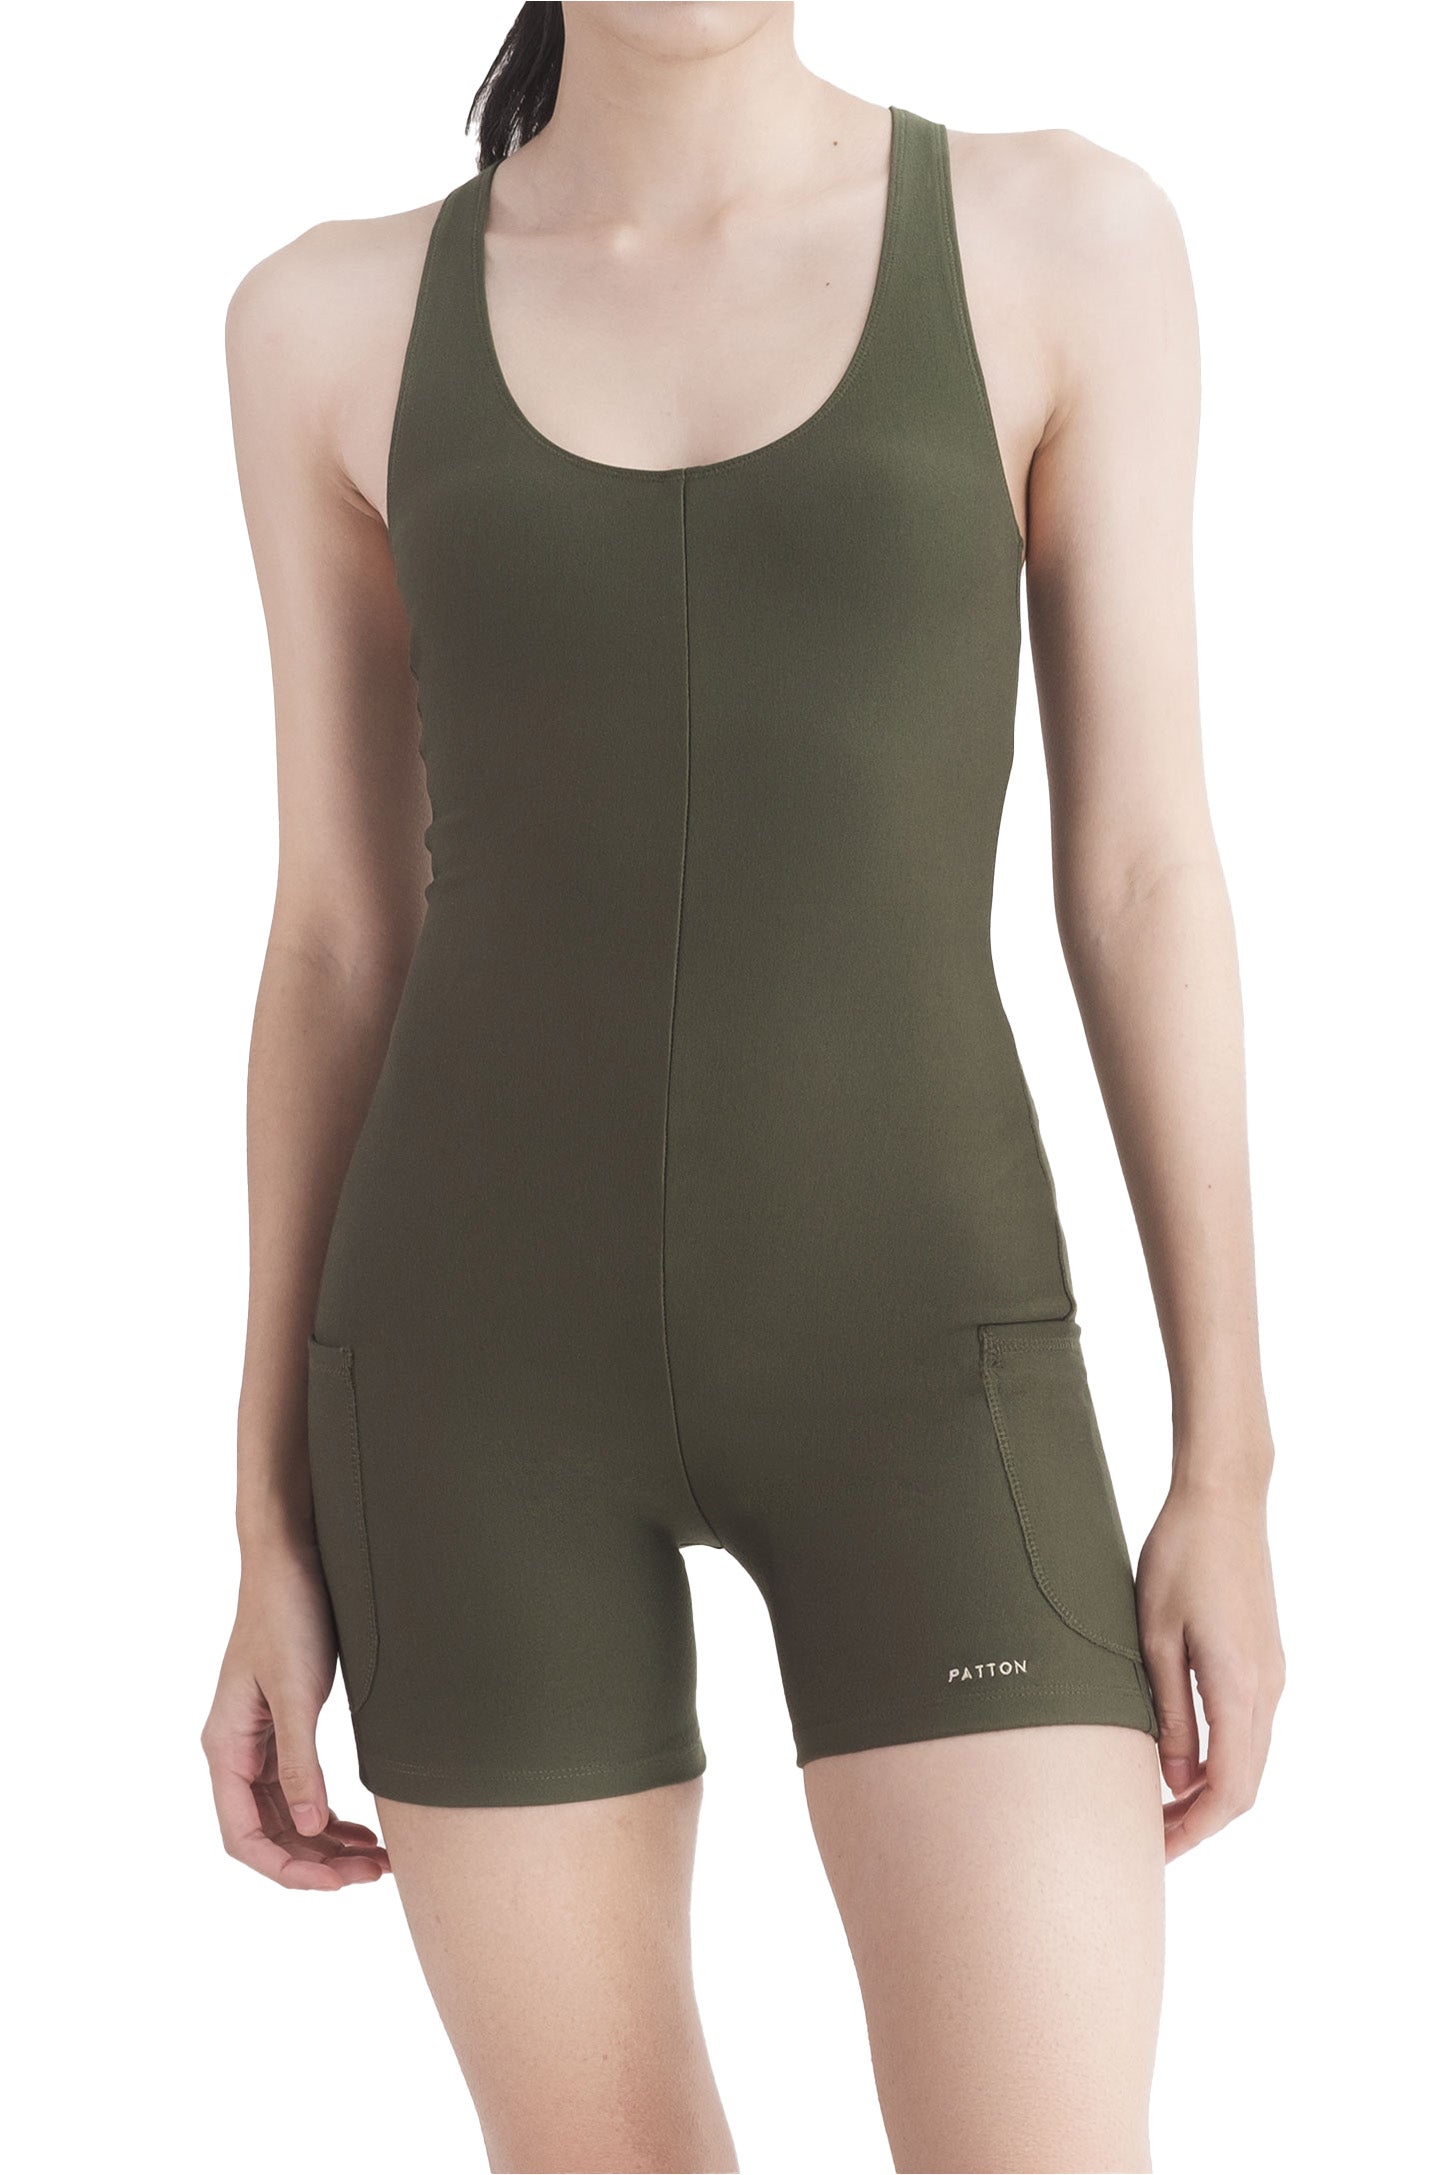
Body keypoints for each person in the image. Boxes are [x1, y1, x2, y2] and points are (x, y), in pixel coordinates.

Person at [201, 5, 1286, 2169]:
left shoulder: (1057, 236)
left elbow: (1142, 872)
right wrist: (263, 1521)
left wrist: (1225, 1463)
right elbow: (333, 935)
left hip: (929, 1365)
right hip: (466, 1394)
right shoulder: (324, 318)